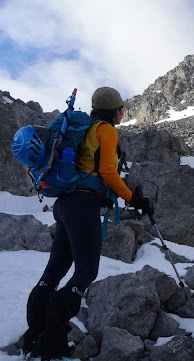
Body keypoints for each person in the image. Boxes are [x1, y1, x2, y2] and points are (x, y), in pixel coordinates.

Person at [21, 87, 154, 360]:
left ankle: (33, 338)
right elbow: (106, 170)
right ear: (115, 111)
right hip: (83, 205)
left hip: (65, 204)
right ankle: (51, 348)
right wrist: (133, 198)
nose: (123, 112)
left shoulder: (82, 129)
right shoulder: (105, 130)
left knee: (53, 274)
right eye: (121, 108)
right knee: (85, 273)